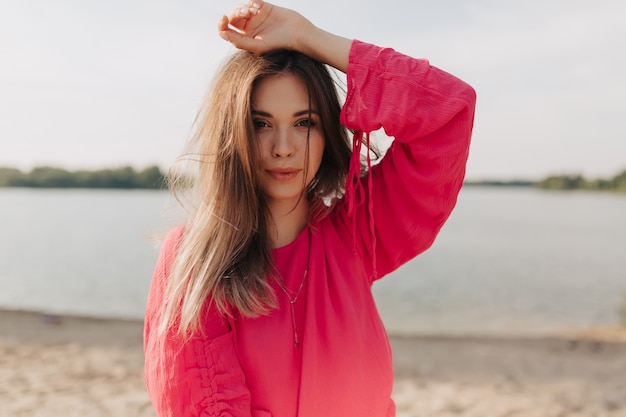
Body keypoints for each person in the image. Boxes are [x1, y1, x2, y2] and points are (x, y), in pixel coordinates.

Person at [143, 1, 476, 416]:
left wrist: (308, 38)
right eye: (260, 123)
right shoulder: (195, 260)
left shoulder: (358, 233)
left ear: (326, 133)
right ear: (232, 135)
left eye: (305, 122)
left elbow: (448, 107)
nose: (284, 148)